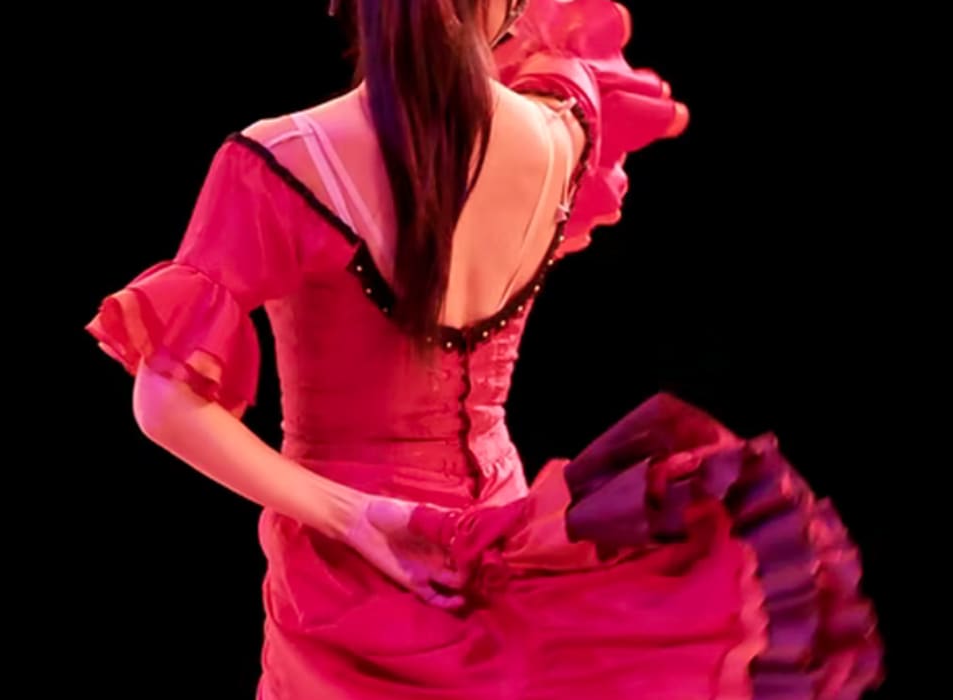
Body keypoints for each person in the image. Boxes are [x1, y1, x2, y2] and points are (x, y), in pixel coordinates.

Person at [85, 0, 883, 697]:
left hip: (349, 577)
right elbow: (550, 40)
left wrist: (354, 515)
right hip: (506, 531)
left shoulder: (282, 159)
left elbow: (165, 401)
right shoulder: (565, 127)